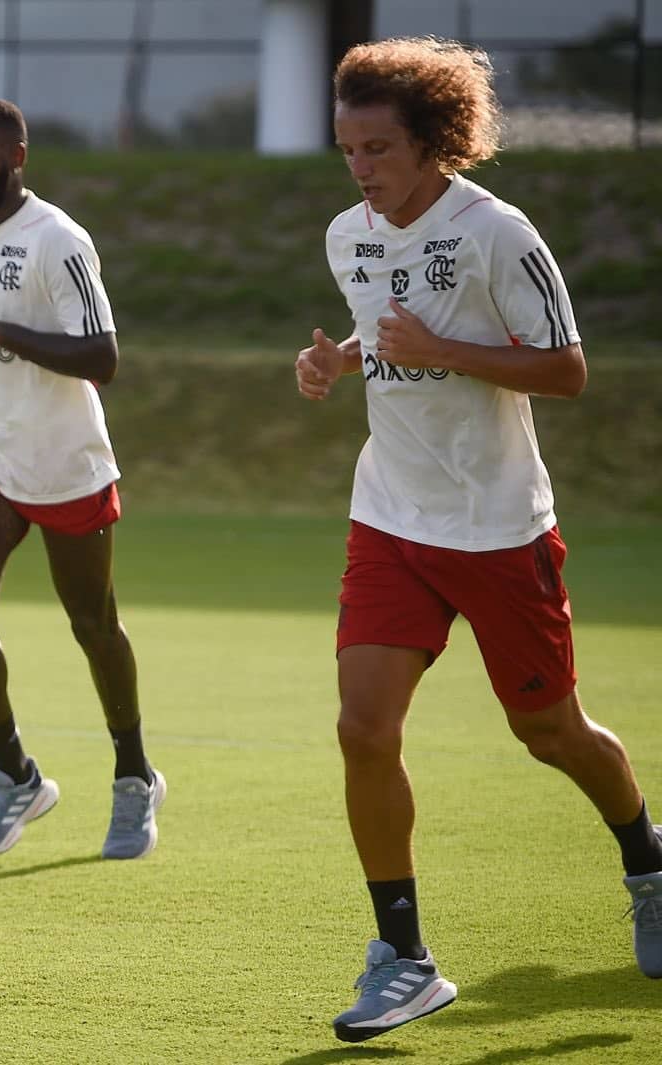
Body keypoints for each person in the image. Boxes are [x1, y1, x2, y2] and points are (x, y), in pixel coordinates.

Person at [298, 37, 662, 1042]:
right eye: (347, 149)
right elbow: (384, 332)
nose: (360, 169)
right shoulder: (347, 235)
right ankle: (404, 958)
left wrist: (441, 351)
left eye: (378, 148)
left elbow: (566, 369)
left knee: (550, 732)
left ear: (432, 141)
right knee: (363, 729)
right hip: (390, 517)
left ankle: (646, 859)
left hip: (498, 527)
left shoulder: (498, 233)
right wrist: (338, 361)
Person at [0, 99, 162, 862]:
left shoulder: (59, 240)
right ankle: (15, 773)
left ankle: (134, 774)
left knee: (93, 623)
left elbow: (102, 357)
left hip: (63, 460)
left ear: (17, 156)